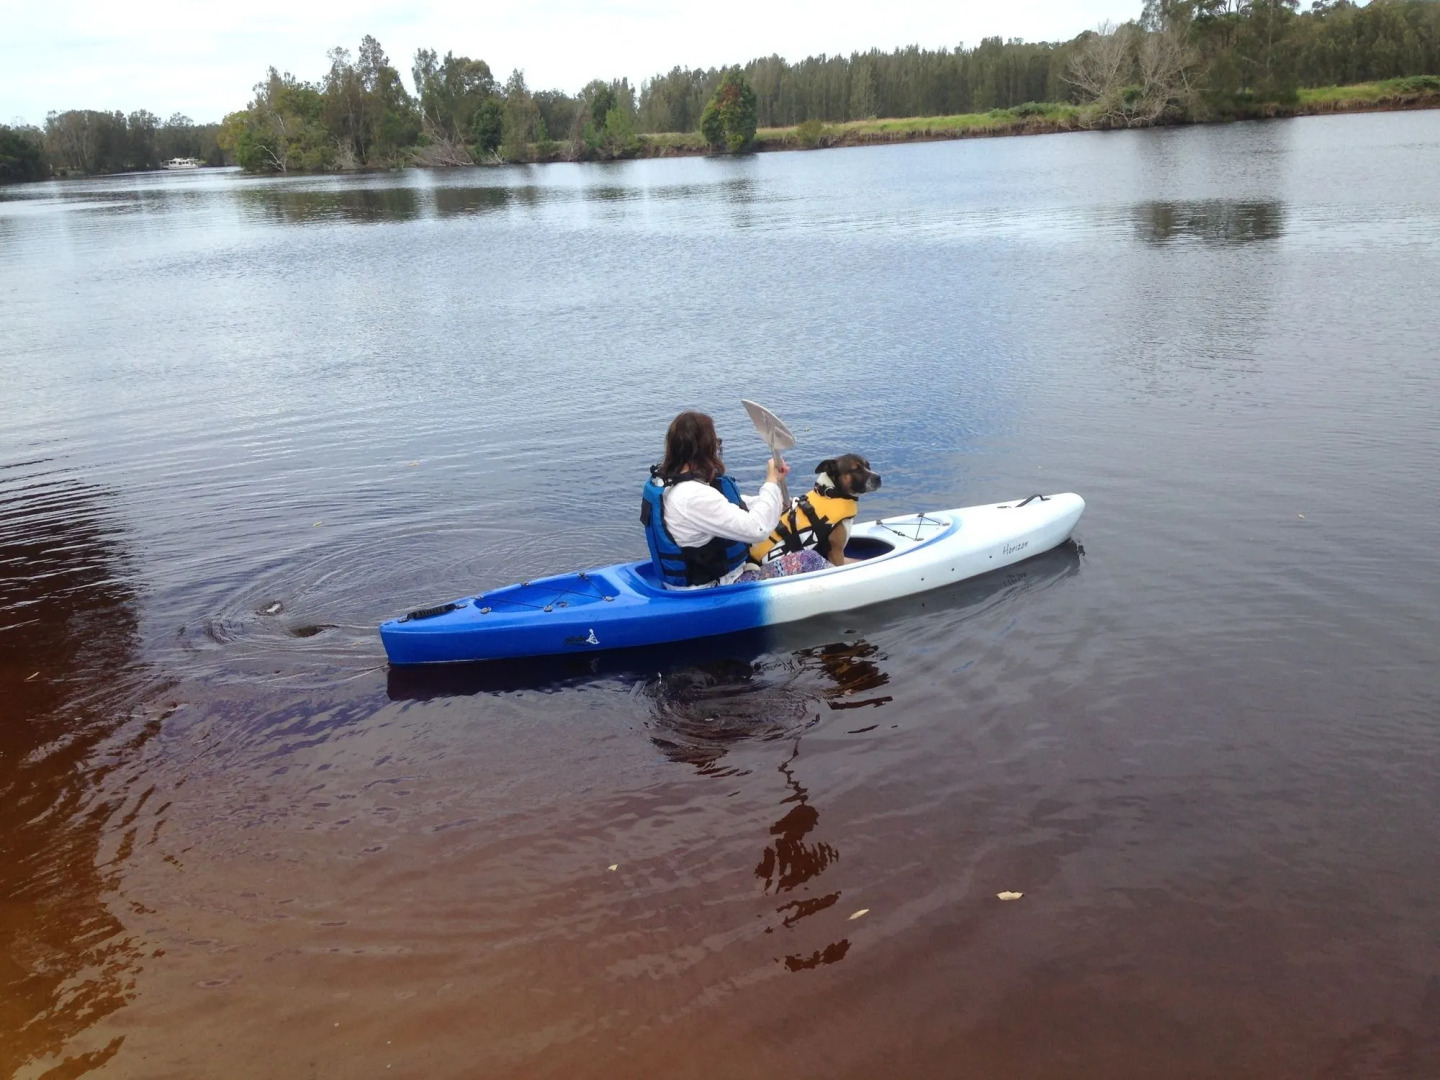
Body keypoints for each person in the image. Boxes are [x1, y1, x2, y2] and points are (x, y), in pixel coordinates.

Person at [641, 410, 798, 589]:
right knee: (809, 559)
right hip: (711, 589)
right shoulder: (694, 496)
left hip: (681, 584)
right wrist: (771, 481)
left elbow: (726, 507)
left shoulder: (666, 482)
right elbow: (758, 529)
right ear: (705, 448)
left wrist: (778, 503)